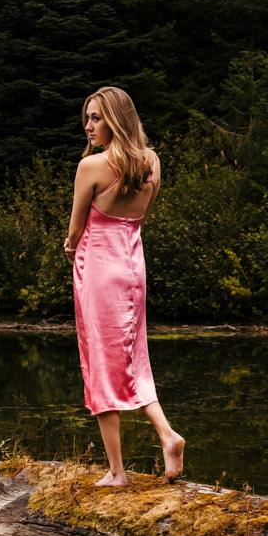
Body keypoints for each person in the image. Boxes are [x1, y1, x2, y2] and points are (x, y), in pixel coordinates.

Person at [63, 87, 186, 488]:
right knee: (134, 358)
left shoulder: (92, 166)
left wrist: (69, 247)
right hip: (133, 266)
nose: (88, 126)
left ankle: (117, 472)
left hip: (98, 269)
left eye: (96, 117)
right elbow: (141, 218)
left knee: (100, 362)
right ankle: (167, 435)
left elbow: (76, 229)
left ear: (116, 119)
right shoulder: (152, 162)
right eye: (87, 118)